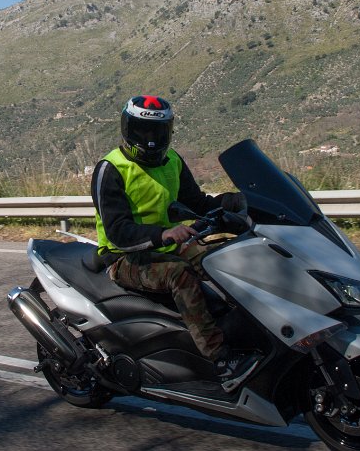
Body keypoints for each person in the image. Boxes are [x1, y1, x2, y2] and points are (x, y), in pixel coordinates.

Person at [90, 95, 259, 384]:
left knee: (228, 257)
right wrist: (162, 233)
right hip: (124, 257)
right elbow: (117, 231)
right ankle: (220, 359)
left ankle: (253, 332)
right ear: (128, 129)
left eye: (157, 131)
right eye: (143, 130)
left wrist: (240, 200)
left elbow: (198, 203)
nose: (150, 139)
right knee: (179, 275)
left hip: (170, 246)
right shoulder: (111, 168)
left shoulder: (172, 161)